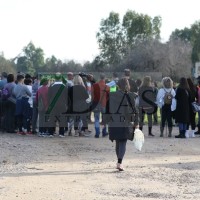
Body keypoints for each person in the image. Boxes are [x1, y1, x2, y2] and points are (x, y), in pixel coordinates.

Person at [105, 77, 139, 171]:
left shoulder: (112, 95)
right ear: (128, 85)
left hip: (114, 120)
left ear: (118, 86)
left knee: (117, 142)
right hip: (125, 121)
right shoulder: (131, 96)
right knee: (123, 142)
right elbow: (135, 110)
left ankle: (119, 162)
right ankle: (119, 162)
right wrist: (136, 122)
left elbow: (107, 108)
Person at [46, 72, 69, 137]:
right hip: (62, 105)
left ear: (55, 78)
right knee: (62, 119)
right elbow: (67, 97)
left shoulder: (51, 86)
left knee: (52, 119)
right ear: (61, 78)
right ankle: (61, 133)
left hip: (53, 104)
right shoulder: (64, 86)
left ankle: (51, 133)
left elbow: (48, 96)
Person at [92, 73, 109, 138]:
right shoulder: (107, 86)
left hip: (96, 104)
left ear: (99, 77)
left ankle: (97, 133)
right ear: (104, 78)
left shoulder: (94, 85)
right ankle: (104, 132)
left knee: (96, 119)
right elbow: (111, 94)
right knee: (104, 119)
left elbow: (92, 96)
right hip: (104, 104)